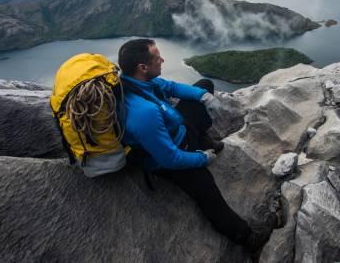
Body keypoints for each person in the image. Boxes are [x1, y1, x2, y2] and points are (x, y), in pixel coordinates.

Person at [116, 38, 277, 255]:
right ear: (142, 68)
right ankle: (245, 236)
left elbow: (171, 87)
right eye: (157, 58)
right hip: (169, 156)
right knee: (208, 193)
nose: (162, 60)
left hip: (178, 132)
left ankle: (200, 138)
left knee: (204, 85)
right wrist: (202, 159)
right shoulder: (144, 113)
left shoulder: (138, 82)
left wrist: (203, 96)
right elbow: (169, 159)